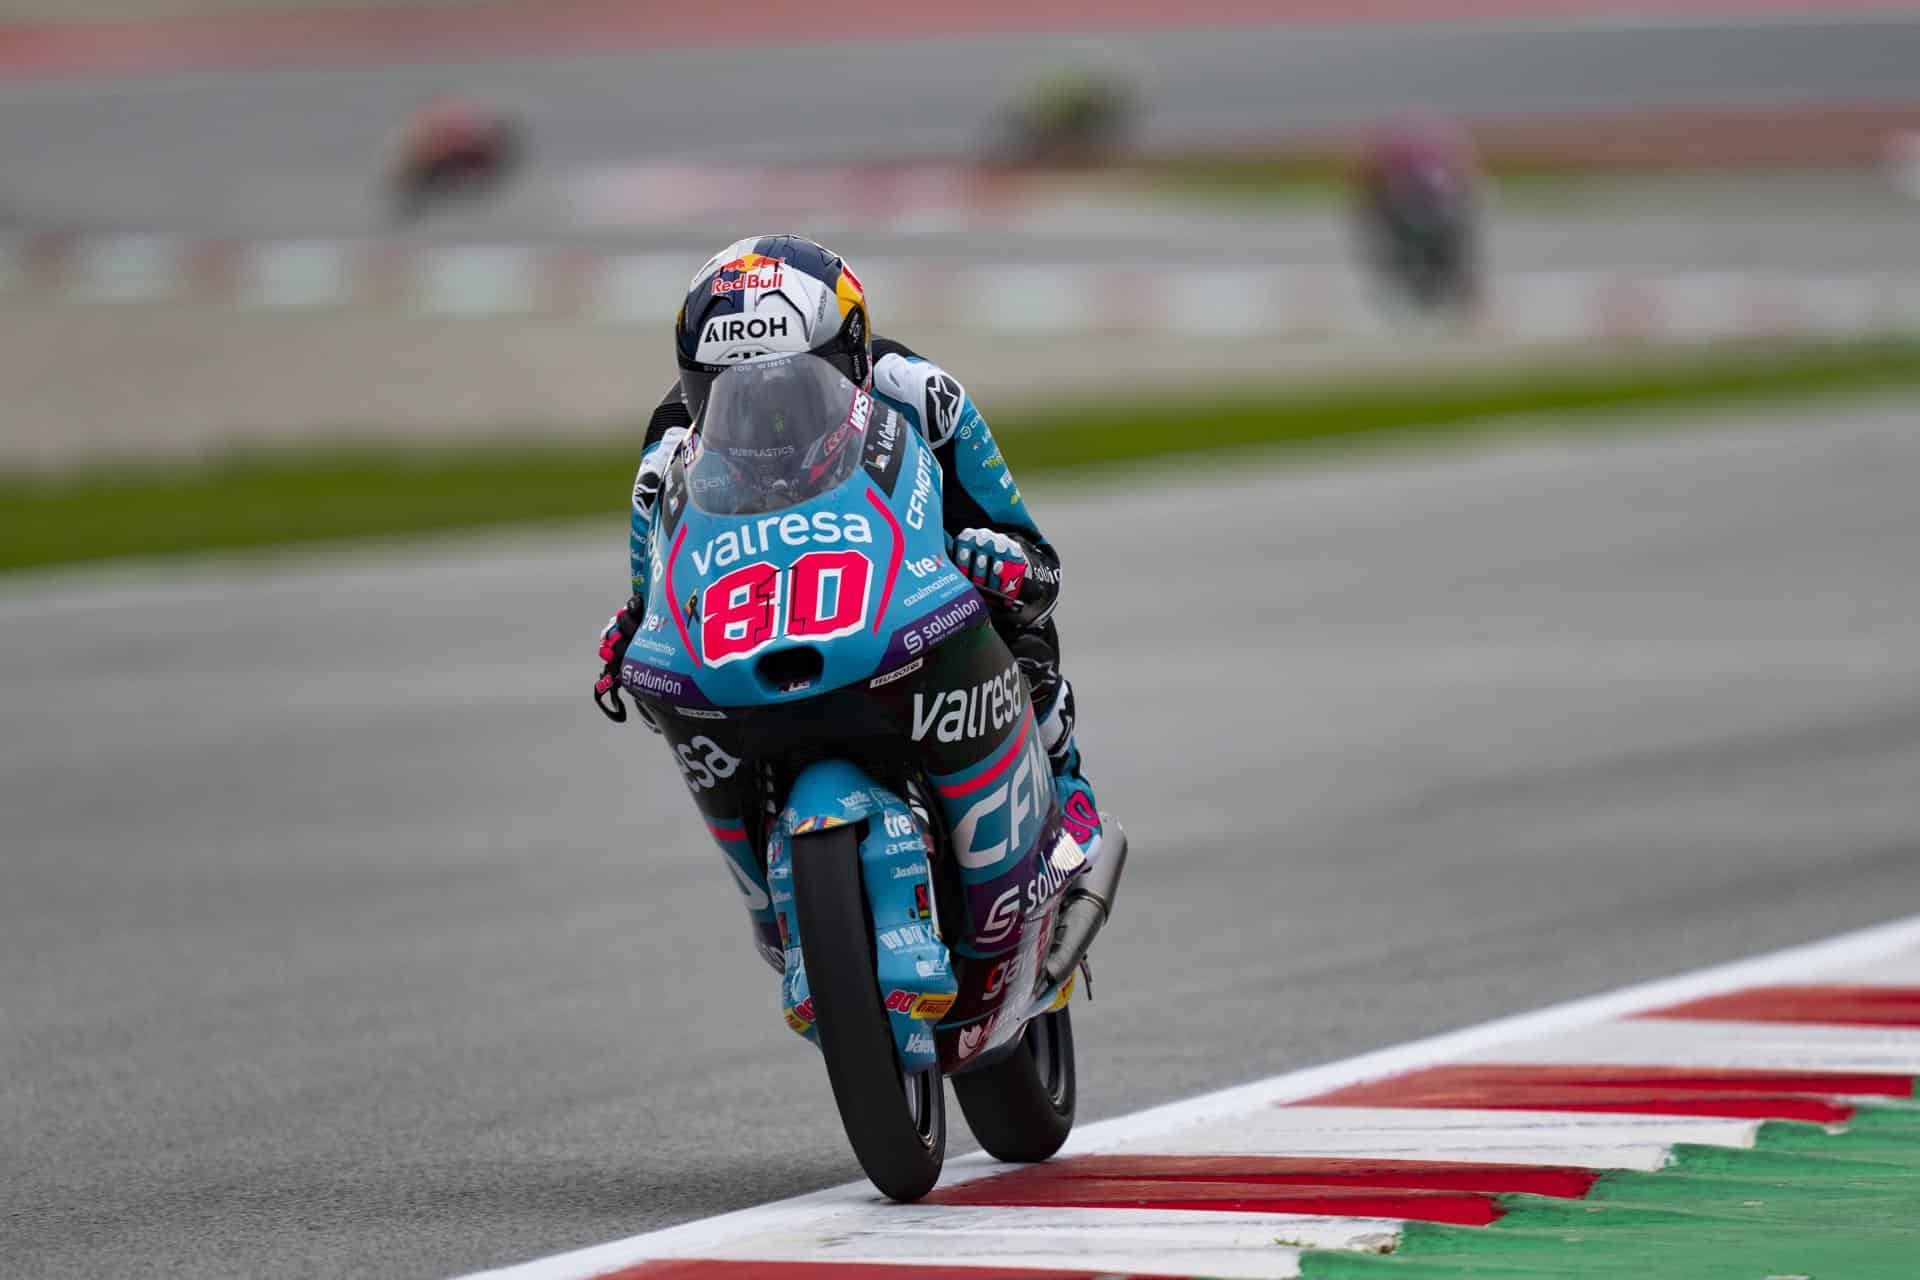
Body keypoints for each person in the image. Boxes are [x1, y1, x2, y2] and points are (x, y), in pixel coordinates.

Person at [593, 234, 1112, 962]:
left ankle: (1069, 786)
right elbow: (653, 584)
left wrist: (1005, 562)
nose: (766, 421)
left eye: (793, 388)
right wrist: (634, 627)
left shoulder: (922, 395)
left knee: (1016, 614)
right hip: (768, 605)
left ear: (852, 360)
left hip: (905, 578)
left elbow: (1034, 555)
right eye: (726, 394)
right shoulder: (671, 443)